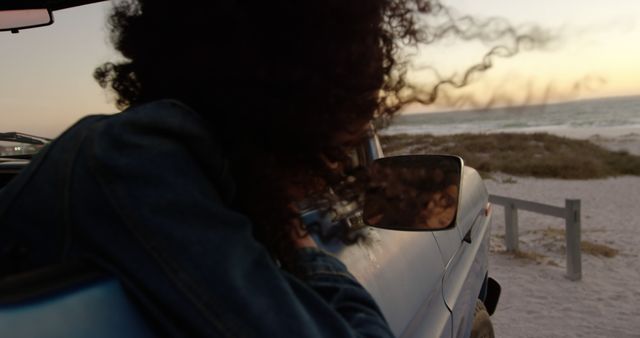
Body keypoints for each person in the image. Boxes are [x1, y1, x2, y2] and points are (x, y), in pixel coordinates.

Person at [0, 0, 453, 336]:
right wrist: (303, 247)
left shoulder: (179, 164)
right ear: (287, 109)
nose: (334, 171)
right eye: (335, 146)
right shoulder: (136, 160)